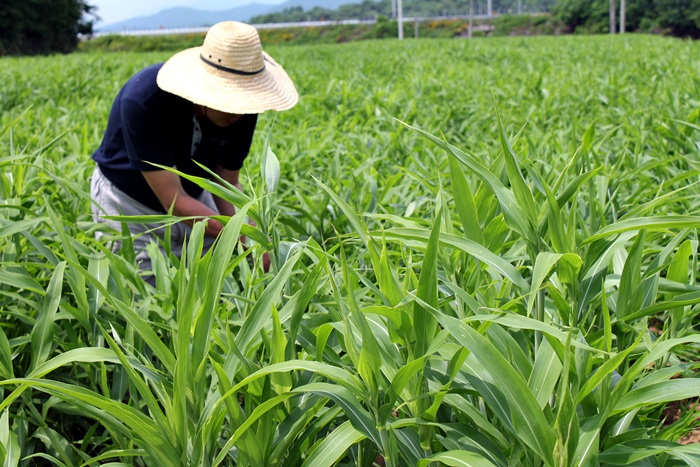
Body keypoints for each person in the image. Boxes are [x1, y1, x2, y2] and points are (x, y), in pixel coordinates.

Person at [90, 21, 297, 280]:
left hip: (195, 196)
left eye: (246, 102)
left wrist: (250, 231)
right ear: (205, 91)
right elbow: (173, 201)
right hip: (131, 205)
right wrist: (240, 233)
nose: (240, 114)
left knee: (221, 283)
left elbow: (226, 180)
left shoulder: (242, 110)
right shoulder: (146, 100)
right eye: (232, 102)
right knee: (144, 296)